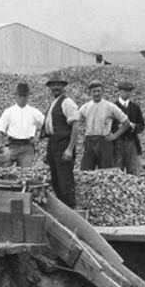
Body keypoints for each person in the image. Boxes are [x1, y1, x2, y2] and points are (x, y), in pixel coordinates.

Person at [43, 75, 82, 205]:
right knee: (56, 181)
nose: (55, 87)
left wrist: (70, 149)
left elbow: (75, 126)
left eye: (58, 85)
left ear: (63, 86)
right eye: (52, 85)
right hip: (54, 143)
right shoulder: (53, 102)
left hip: (63, 144)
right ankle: (63, 211)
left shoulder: (67, 102)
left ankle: (71, 209)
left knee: (65, 181)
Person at [78, 81, 129, 170]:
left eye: (98, 91)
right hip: (89, 141)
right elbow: (76, 122)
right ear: (90, 92)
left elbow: (126, 123)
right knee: (85, 170)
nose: (96, 94)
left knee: (105, 171)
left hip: (104, 141)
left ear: (103, 91)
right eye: (94, 91)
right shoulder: (85, 107)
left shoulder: (110, 106)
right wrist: (82, 135)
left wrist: (115, 136)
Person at [0, 82, 46, 168]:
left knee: (26, 172)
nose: (22, 98)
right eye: (20, 95)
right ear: (16, 96)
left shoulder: (34, 112)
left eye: (24, 96)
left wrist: (39, 136)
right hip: (12, 146)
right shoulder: (8, 112)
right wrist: (1, 146)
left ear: (28, 96)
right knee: (4, 171)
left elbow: (47, 124)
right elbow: (0, 131)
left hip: (27, 147)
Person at [113, 81, 145, 176]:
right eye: (125, 90)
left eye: (130, 91)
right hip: (117, 143)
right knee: (116, 171)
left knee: (133, 171)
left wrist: (134, 127)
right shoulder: (113, 106)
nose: (128, 93)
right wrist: (117, 128)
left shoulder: (135, 107)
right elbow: (108, 125)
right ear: (119, 91)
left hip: (131, 142)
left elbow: (142, 125)